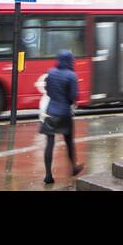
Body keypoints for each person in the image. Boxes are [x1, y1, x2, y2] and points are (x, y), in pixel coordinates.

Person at [40, 50, 82, 185]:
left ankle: (48, 175)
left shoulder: (51, 72)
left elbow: (48, 90)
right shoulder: (71, 75)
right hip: (64, 113)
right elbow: (73, 96)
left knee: (49, 144)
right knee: (69, 143)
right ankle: (74, 167)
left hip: (50, 112)